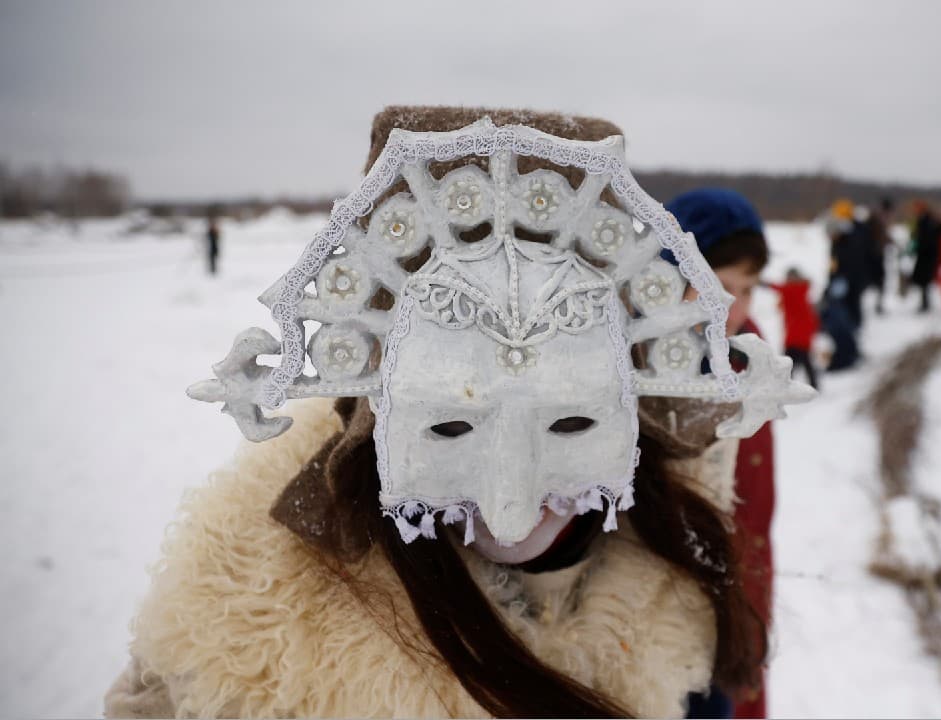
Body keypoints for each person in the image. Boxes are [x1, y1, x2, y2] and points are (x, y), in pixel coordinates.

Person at [104, 107, 814, 719]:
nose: (508, 512)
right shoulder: (235, 627)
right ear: (376, 408)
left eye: (569, 423)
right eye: (450, 425)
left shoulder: (680, 592)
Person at [666, 187, 785, 719]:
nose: (734, 306)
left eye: (747, 288)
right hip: (656, 619)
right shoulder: (639, 375)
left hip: (731, 603)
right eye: (716, 284)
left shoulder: (747, 363)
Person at [820, 199, 863, 370]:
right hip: (839, 290)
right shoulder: (837, 244)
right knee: (838, 324)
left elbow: (850, 270)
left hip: (847, 291)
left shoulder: (849, 243)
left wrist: (841, 288)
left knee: (840, 326)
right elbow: (834, 269)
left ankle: (846, 357)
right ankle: (848, 353)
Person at [769, 268, 820, 390]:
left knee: (789, 361)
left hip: (796, 333)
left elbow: (779, 289)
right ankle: (812, 385)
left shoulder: (792, 290)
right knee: (802, 360)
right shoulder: (800, 290)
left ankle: (784, 386)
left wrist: (761, 282)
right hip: (802, 332)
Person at [908, 200, 941, 312]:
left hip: (927, 255)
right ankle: (924, 302)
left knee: (924, 280)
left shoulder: (927, 221)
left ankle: (925, 303)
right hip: (924, 255)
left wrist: (917, 246)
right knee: (923, 281)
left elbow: (927, 240)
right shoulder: (923, 220)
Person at [864, 197, 895, 314]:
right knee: (873, 280)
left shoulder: (878, 218)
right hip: (873, 256)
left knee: (879, 281)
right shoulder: (876, 218)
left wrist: (890, 241)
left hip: (877, 254)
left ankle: (878, 304)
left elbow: (883, 236)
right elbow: (875, 236)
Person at [205, 210, 220, 276]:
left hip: (214, 248)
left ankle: (214, 270)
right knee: (211, 260)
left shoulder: (215, 233)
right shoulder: (211, 232)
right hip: (211, 248)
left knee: (214, 260)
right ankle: (212, 270)